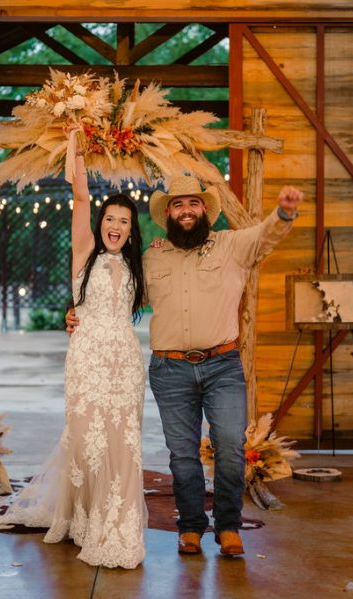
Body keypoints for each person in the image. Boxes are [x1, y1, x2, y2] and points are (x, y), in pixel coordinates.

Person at [69, 175, 302, 557]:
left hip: (222, 366)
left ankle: (228, 527)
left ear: (205, 210)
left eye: (193, 203)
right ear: (169, 215)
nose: (186, 210)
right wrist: (76, 313)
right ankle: (190, 527)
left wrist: (284, 213)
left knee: (230, 445)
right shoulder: (152, 257)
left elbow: (265, 236)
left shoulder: (230, 246)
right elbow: (115, 294)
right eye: (178, 205)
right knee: (182, 454)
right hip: (170, 369)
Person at [0, 135, 148, 569]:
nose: (115, 226)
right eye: (110, 218)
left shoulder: (137, 265)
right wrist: (74, 144)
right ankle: (82, 517)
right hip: (87, 360)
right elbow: (80, 196)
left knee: (122, 443)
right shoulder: (84, 253)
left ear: (132, 230)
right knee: (86, 441)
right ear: (101, 223)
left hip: (125, 364)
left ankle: (117, 525)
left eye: (124, 221)